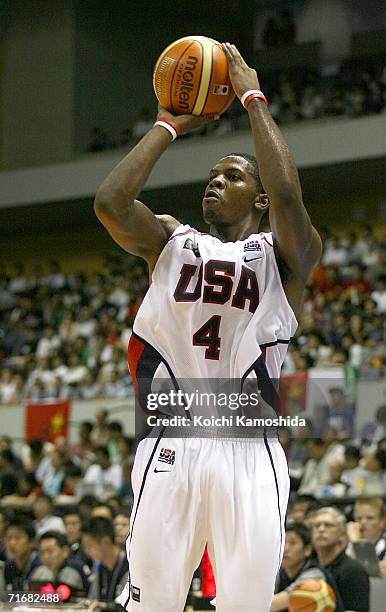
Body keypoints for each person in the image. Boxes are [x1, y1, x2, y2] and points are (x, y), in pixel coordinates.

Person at [93, 42, 321, 612]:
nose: (214, 182)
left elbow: (290, 194)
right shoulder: (171, 240)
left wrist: (252, 98)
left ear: (261, 199)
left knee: (244, 607)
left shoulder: (285, 257)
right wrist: (169, 123)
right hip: (171, 438)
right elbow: (111, 203)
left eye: (233, 176)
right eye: (211, 175)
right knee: (152, 604)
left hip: (248, 448)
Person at [272, 523, 343, 611]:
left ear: (307, 550)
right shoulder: (280, 573)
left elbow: (274, 604)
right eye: (282, 542)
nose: (285, 548)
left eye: (292, 543)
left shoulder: (315, 574)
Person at [312, 507, 370, 611]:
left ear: (342, 535)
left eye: (328, 525)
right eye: (317, 526)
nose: (321, 529)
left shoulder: (353, 570)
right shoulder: (309, 567)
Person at [81, 517, 129, 606]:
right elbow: (92, 600)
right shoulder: (100, 567)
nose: (86, 550)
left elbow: (125, 606)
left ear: (105, 542)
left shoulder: (128, 566)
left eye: (89, 545)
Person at [4, 518, 41, 591]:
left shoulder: (41, 565)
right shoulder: (8, 566)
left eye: (18, 538)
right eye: (9, 538)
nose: (12, 543)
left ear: (32, 542)